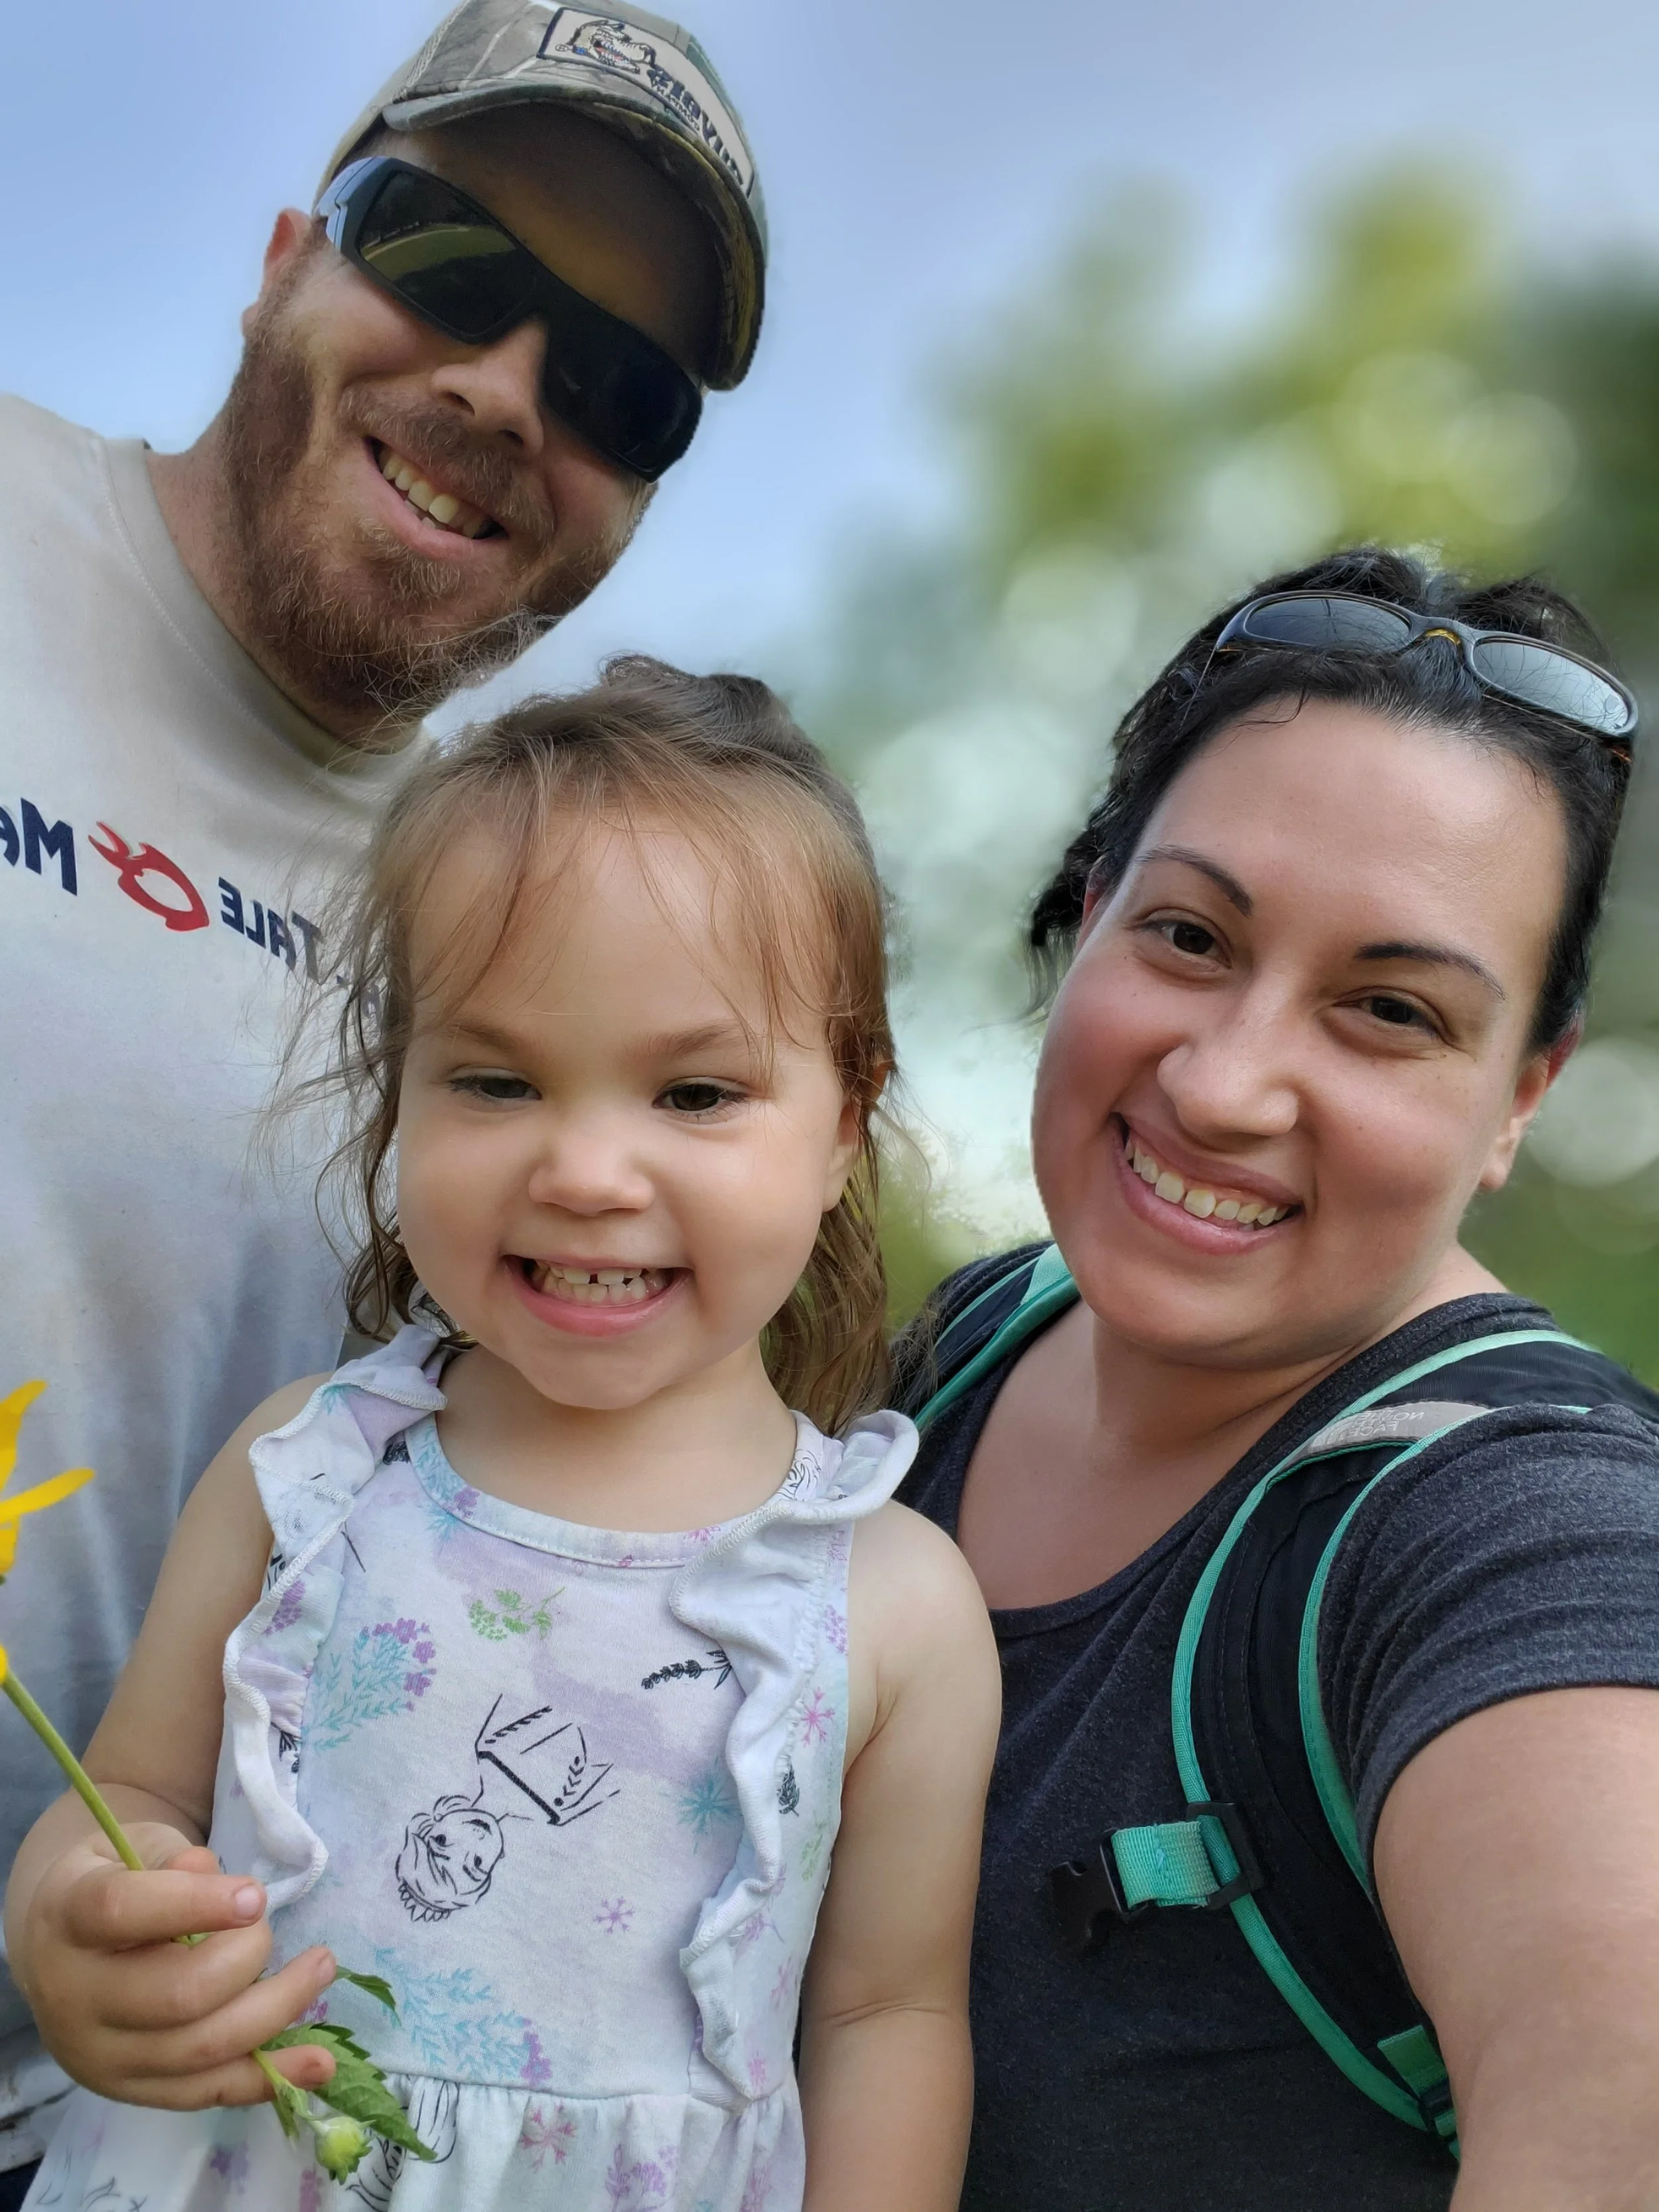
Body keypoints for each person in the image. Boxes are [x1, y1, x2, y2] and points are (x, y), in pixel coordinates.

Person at [0, 3, 767, 2192]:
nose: (504, 390)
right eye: (440, 257)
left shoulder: (530, 958)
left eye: (615, 389)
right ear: (280, 258)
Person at [5, 662, 1001, 2212]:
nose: (588, 1168)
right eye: (494, 1078)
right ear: (396, 1094)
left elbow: (886, 2015)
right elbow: (133, 1790)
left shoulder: (893, 1599)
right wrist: (74, 1916)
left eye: (694, 1090)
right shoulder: (310, 1475)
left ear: (842, 1128)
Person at [893, 546, 1659, 2211]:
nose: (1228, 1085)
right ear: (1087, 913)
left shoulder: (1522, 1539)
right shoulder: (958, 1354)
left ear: (1521, 1092)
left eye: (1386, 1009)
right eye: (1186, 934)